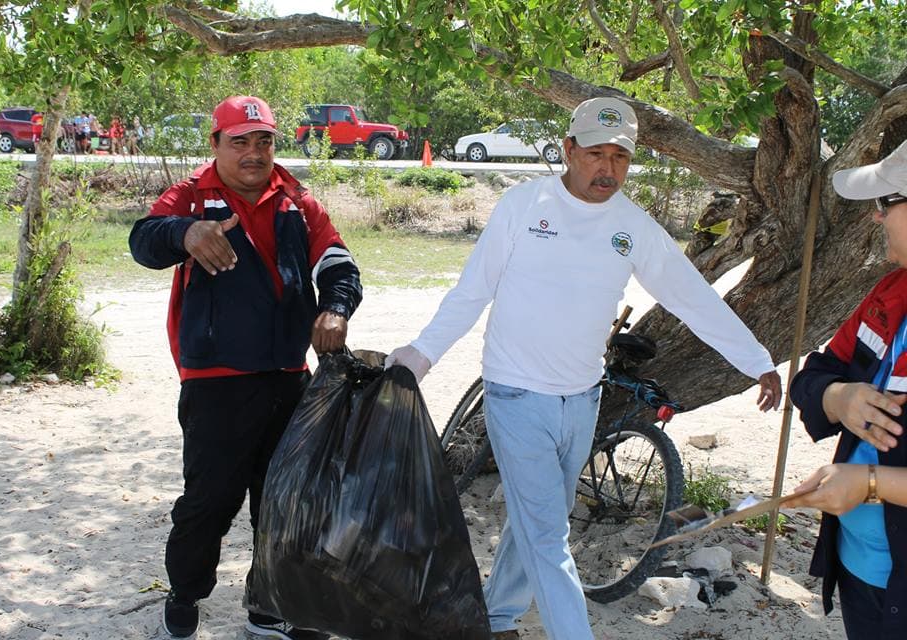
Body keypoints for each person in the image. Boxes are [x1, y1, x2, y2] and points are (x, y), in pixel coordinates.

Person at [386, 96, 782, 640]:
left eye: (620, 157)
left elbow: (693, 298)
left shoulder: (632, 227)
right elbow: (472, 291)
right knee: (549, 535)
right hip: (515, 393)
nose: (608, 169)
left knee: (541, 519)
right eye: (596, 154)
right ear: (569, 149)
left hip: (581, 399)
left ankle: (496, 617)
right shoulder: (523, 206)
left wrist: (756, 360)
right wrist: (422, 354)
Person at [128, 95, 362, 640]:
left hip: (288, 376)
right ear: (216, 143)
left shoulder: (297, 200)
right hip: (215, 381)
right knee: (208, 502)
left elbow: (338, 262)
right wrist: (184, 234)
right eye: (240, 141)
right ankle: (185, 596)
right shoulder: (191, 195)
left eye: (264, 141)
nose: (254, 152)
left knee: (285, 502)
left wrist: (335, 307)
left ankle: (269, 605)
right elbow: (144, 240)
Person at [786, 138, 907, 639]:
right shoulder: (890, 291)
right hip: (861, 568)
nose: (876, 216)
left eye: (885, 202)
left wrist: (871, 484)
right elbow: (812, 376)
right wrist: (838, 398)